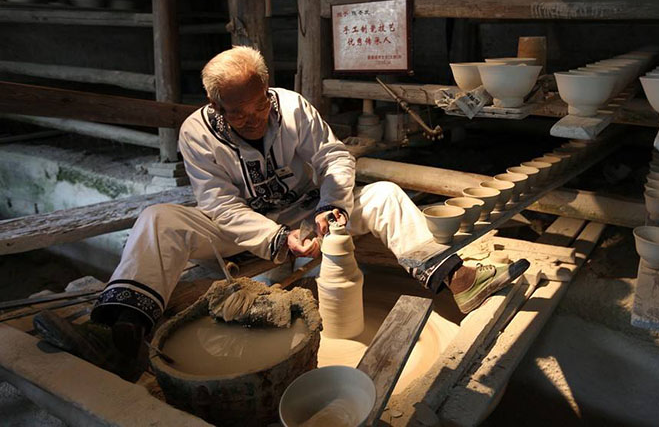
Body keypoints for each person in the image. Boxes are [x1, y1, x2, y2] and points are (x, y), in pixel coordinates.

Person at [35, 46, 528, 381]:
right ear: (215, 106)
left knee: (385, 195)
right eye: (238, 113)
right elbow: (219, 205)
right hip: (244, 229)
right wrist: (277, 242)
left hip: (309, 212)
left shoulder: (292, 109)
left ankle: (457, 279)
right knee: (159, 219)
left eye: (258, 106)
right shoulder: (196, 133)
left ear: (269, 92)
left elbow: (334, 157)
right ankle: (114, 330)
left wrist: (331, 207)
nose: (252, 118)